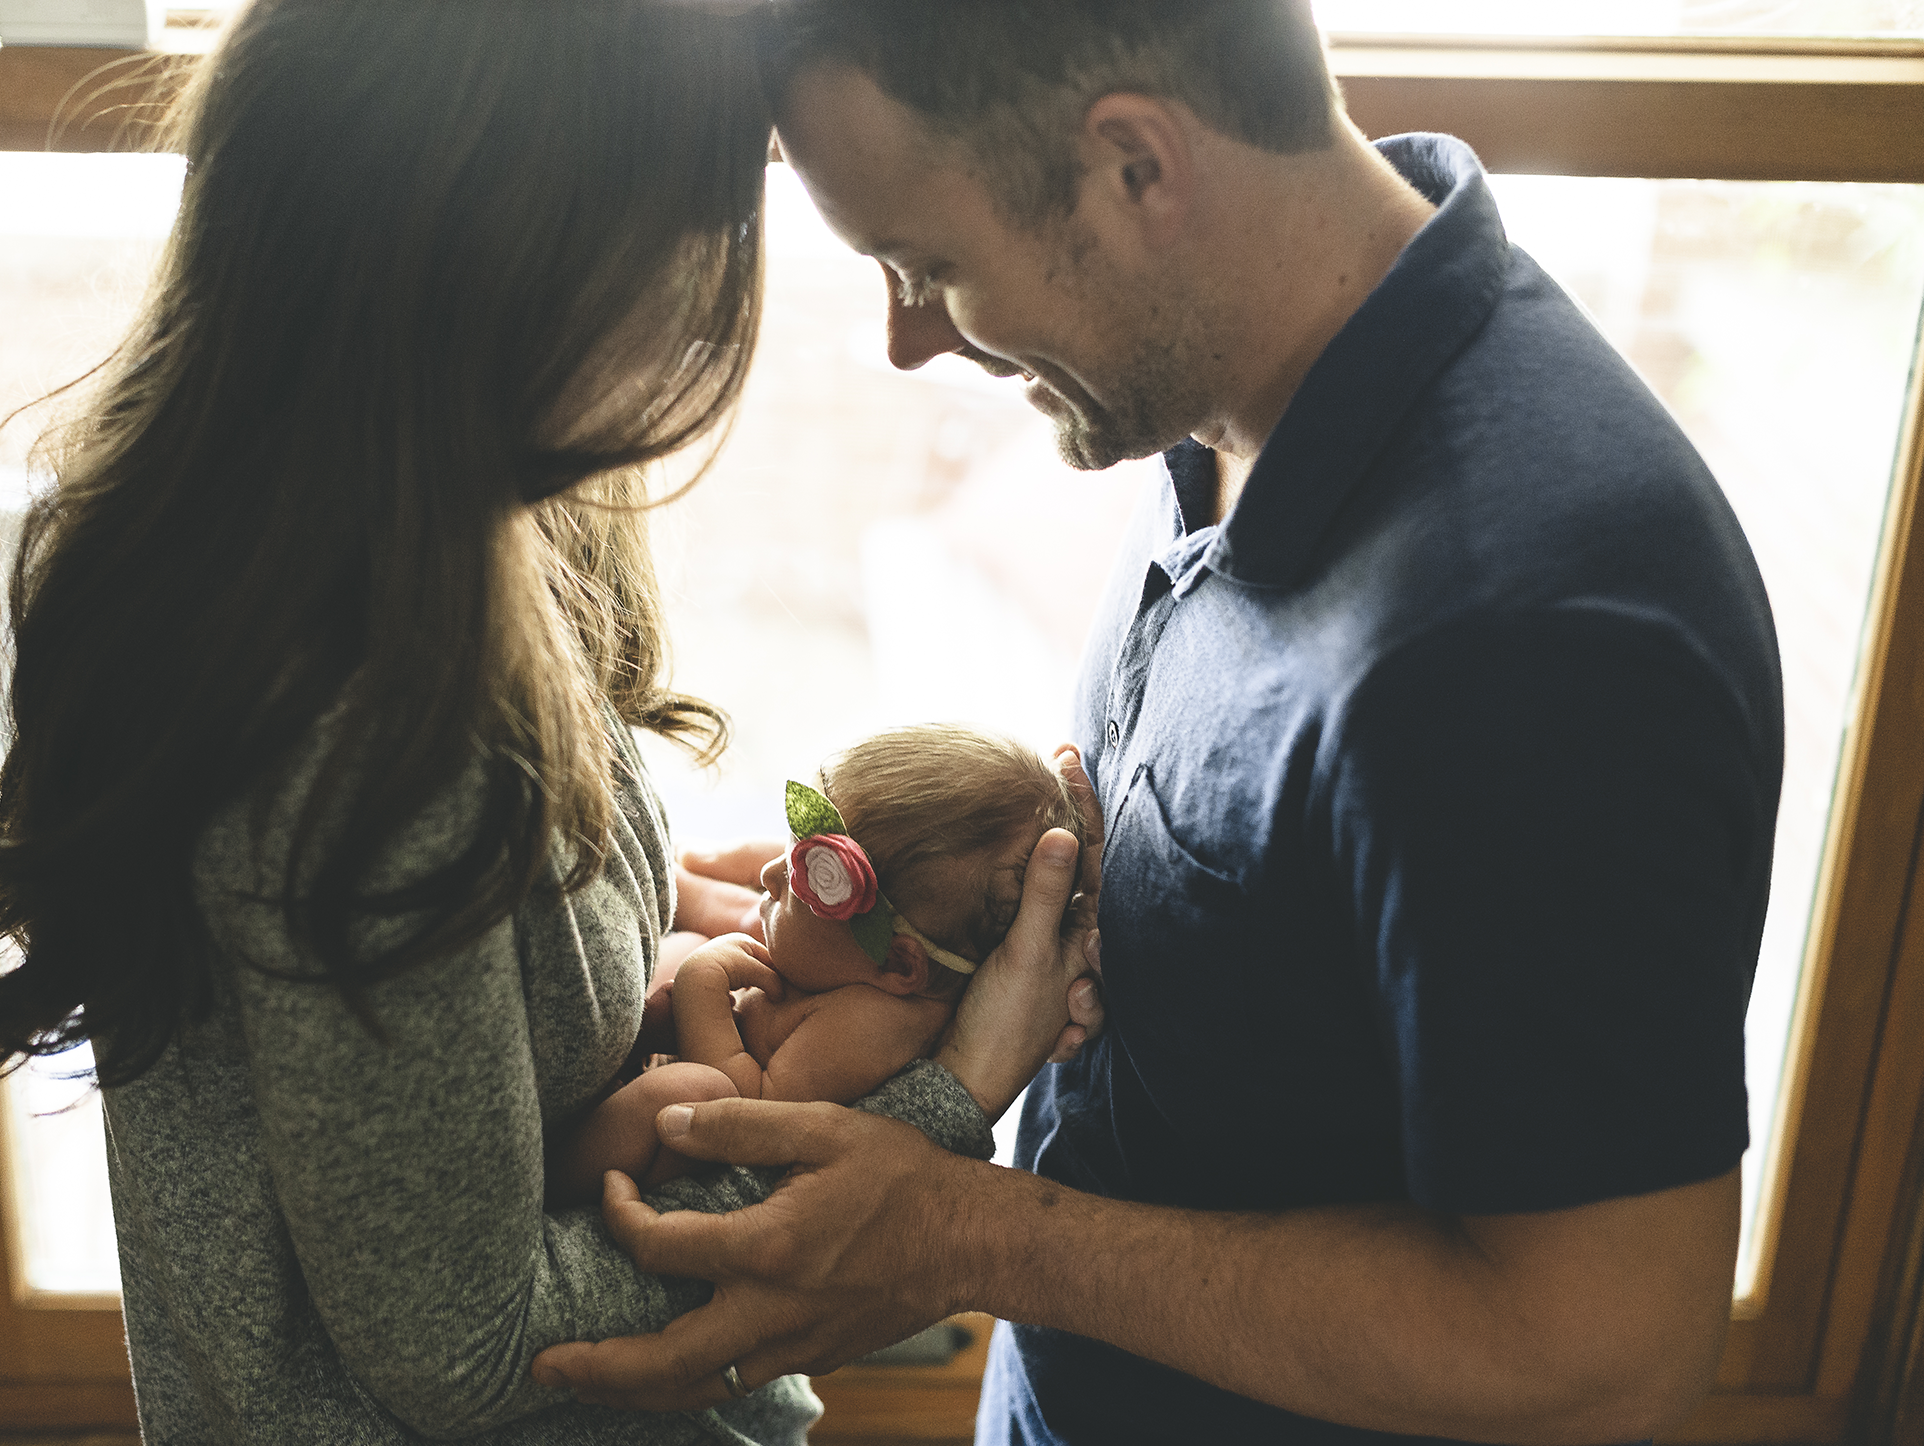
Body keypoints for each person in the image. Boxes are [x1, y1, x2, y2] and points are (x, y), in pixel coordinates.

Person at [534, 4, 1782, 1444]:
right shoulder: (1224, 405)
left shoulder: (1537, 629)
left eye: (929, 266)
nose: (902, 340)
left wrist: (966, 1234)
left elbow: (1593, 1348)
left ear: (1136, 167)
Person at [0, 4, 1095, 1443]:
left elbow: (472, 965)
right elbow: (471, 1353)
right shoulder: (362, 721)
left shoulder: (382, 532)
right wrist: (953, 1095)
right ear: (534, 254)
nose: (722, 279)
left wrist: (761, 900)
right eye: (705, 213)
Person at [550, 726, 1092, 1204]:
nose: (767, 875)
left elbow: (745, 1115)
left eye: (802, 882)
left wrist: (700, 990)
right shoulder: (851, 970)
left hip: (693, 1156)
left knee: (688, 1089)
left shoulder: (871, 1022)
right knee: (684, 942)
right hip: (687, 1073)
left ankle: (553, 1176)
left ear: (899, 965)